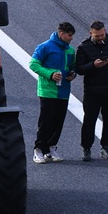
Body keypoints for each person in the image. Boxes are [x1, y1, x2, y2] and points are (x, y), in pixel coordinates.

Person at [76, 20, 108, 161]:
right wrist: (93, 65)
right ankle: (86, 148)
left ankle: (106, 147)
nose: (100, 38)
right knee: (89, 120)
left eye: (102, 35)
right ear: (90, 33)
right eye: (97, 36)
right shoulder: (83, 47)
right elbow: (79, 69)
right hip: (92, 91)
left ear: (105, 31)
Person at [29, 21, 76, 163]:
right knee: (45, 122)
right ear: (61, 33)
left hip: (63, 91)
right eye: (69, 35)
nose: (71, 38)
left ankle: (51, 149)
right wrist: (50, 74)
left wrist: (72, 74)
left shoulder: (70, 50)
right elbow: (33, 64)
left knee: (58, 121)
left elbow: (72, 67)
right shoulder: (45, 47)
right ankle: (38, 150)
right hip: (47, 91)